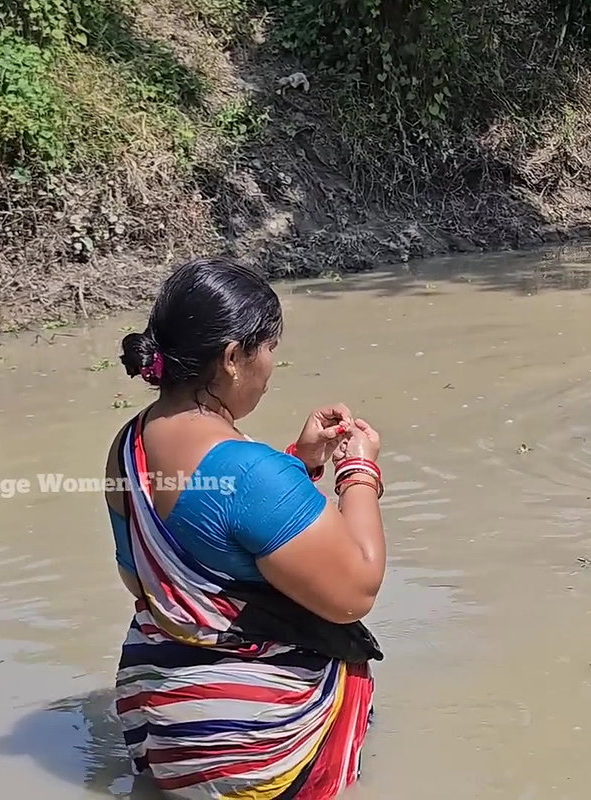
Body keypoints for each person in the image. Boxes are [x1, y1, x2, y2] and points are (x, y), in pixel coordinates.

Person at [103, 256, 387, 799]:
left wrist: (299, 464)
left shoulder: (127, 445)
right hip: (248, 742)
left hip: (160, 729)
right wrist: (358, 471)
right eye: (270, 349)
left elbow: (141, 577)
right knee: (348, 655)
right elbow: (356, 591)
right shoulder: (251, 471)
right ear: (233, 357)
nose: (272, 365)